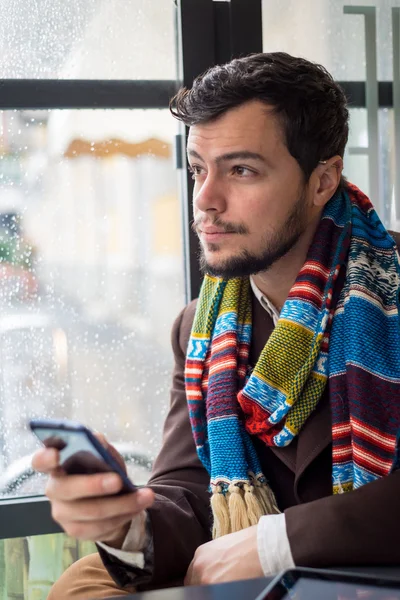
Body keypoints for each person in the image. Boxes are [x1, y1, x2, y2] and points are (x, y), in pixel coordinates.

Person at [33, 52, 400, 599]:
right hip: (263, 582)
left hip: (364, 575)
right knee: (85, 581)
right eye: (199, 169)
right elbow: (188, 487)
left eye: (241, 170)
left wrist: (277, 542)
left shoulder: (384, 306)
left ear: (322, 180)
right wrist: (122, 523)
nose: (204, 199)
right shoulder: (201, 328)